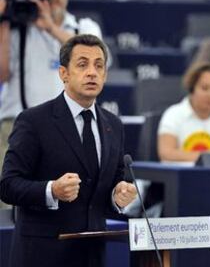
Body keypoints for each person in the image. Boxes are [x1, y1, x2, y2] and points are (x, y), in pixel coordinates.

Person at [0, 34, 137, 267]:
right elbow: (8, 186)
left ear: (105, 75)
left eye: (98, 66)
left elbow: (112, 184)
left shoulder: (113, 124)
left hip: (92, 254)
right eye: (82, 64)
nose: (92, 72)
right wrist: (52, 190)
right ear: (64, 73)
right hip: (43, 255)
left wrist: (119, 195)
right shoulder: (34, 121)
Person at [0, 0, 102, 208]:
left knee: (67, 199)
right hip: (16, 123)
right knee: (8, 199)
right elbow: (2, 74)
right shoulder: (17, 29)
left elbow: (96, 55)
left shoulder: (82, 27)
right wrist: (3, 23)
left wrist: (49, 27)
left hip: (68, 128)